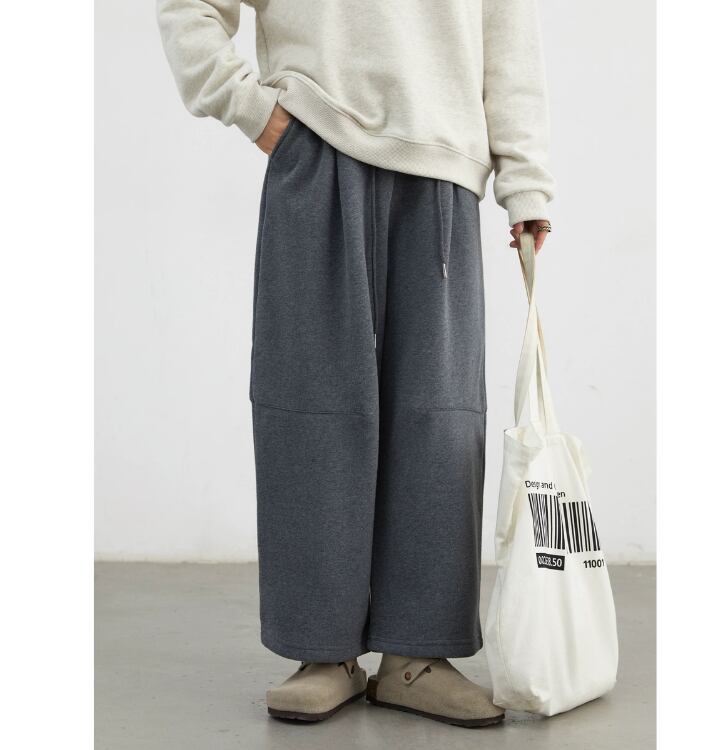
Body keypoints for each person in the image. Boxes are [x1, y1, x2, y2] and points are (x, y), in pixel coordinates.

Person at [156, 0, 553, 728]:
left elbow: (507, 30)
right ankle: (324, 650)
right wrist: (250, 108)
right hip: (316, 150)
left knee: (439, 418)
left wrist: (524, 179)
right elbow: (191, 9)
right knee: (313, 408)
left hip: (443, 167)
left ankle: (417, 655)